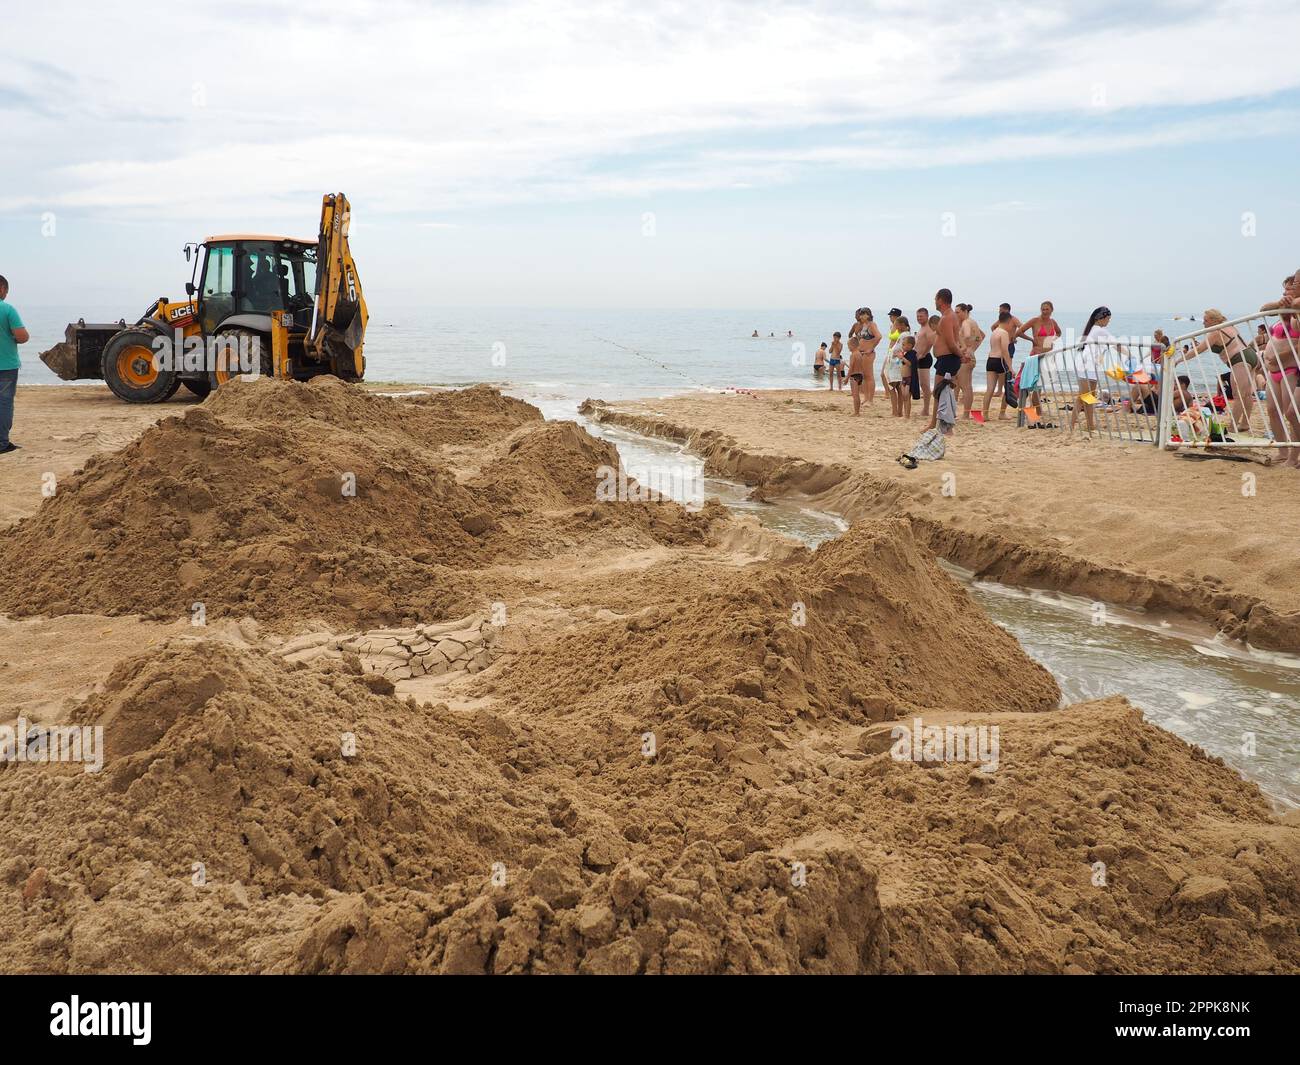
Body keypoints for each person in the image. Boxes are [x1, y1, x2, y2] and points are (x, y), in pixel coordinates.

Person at [1196, 309, 1258, 433]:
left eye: (1206, 320)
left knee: (1238, 396)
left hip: (1239, 359)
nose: (1203, 323)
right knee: (1246, 394)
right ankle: (1245, 423)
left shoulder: (1215, 332)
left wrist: (1180, 360)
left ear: (1214, 320)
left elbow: (1198, 350)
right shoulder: (1228, 325)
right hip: (1250, 354)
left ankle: (1232, 427)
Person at [1071, 306, 1124, 434]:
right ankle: (1071, 426)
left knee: (1090, 397)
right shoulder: (1099, 330)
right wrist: (1130, 356)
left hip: (1091, 367)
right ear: (1102, 318)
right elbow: (1116, 344)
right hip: (1086, 366)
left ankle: (1090, 425)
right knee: (1083, 397)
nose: (1108, 321)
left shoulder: (1093, 329)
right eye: (1108, 319)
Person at [0, 275, 30, 456]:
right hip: (6, 365)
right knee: (4, 403)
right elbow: (22, 336)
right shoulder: (7, 310)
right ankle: (2, 443)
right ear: (2, 289)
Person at [927, 289, 962, 431]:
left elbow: (951, 343)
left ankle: (940, 425)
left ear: (941, 300)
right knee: (943, 392)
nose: (935, 301)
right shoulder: (949, 316)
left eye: (936, 299)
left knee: (940, 392)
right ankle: (939, 424)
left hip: (948, 359)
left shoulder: (948, 317)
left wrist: (960, 355)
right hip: (946, 359)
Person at [955, 303, 984, 419]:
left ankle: (966, 414)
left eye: (957, 312)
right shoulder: (973, 322)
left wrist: (963, 347)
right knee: (961, 385)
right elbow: (980, 337)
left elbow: (967, 335)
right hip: (970, 355)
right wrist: (973, 348)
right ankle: (959, 412)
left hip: (965, 357)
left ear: (965, 311)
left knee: (965, 387)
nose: (956, 314)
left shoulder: (966, 322)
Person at [983, 310, 1014, 421]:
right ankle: (1002, 413)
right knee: (1007, 388)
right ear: (1008, 321)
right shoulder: (1004, 333)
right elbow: (1005, 351)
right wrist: (1010, 367)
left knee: (990, 389)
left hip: (990, 360)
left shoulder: (995, 331)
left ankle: (985, 415)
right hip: (1000, 361)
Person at [855, 308, 882, 405]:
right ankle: (866, 398)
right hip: (861, 352)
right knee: (864, 376)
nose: (861, 316)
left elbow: (879, 336)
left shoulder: (872, 325)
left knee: (869, 376)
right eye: (860, 315)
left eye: (863, 315)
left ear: (868, 315)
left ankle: (870, 399)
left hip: (868, 353)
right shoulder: (863, 325)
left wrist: (871, 348)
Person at [913, 307, 936, 417]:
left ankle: (926, 409)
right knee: (922, 385)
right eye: (917, 316)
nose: (919, 318)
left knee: (925, 385)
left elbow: (931, 342)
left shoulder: (928, 328)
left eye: (921, 316)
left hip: (924, 359)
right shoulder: (921, 328)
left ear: (927, 316)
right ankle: (925, 409)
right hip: (918, 359)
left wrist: (923, 353)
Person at [846, 334, 866, 414]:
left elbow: (851, 367)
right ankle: (857, 411)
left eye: (848, 346)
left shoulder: (853, 355)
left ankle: (856, 412)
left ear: (852, 345)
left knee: (855, 395)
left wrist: (847, 378)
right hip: (860, 375)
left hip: (854, 376)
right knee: (857, 394)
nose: (848, 348)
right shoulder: (860, 354)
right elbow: (861, 366)